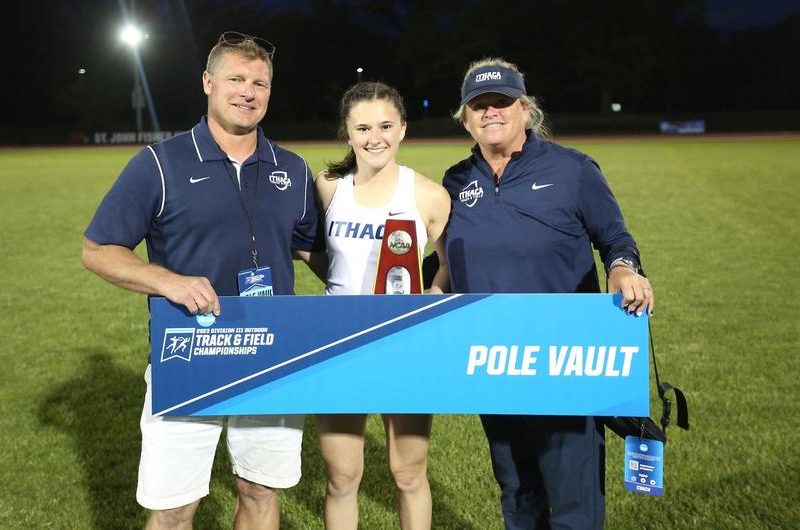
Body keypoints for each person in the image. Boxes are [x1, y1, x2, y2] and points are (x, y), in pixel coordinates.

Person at [81, 32, 318, 530]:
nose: (248, 92)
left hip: (271, 354)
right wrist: (166, 281)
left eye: (260, 82)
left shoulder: (292, 169)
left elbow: (311, 249)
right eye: (236, 79)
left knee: (259, 491)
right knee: (173, 508)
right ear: (208, 82)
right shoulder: (159, 164)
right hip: (188, 354)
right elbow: (98, 250)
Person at [441, 58, 655, 529]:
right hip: (492, 359)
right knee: (517, 490)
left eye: (501, 102)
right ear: (465, 117)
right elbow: (441, 264)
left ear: (525, 108)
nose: (490, 112)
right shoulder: (455, 182)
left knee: (573, 498)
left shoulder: (573, 170)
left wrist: (623, 269)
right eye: (479, 105)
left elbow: (616, 239)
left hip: (564, 359)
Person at [311, 81, 450, 530]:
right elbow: (315, 251)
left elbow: (449, 264)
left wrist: (433, 294)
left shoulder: (427, 195)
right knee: (342, 477)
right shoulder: (329, 187)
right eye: (364, 127)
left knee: (408, 473)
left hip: (405, 345)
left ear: (403, 129)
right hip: (338, 343)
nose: (376, 137)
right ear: (348, 134)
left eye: (386, 125)